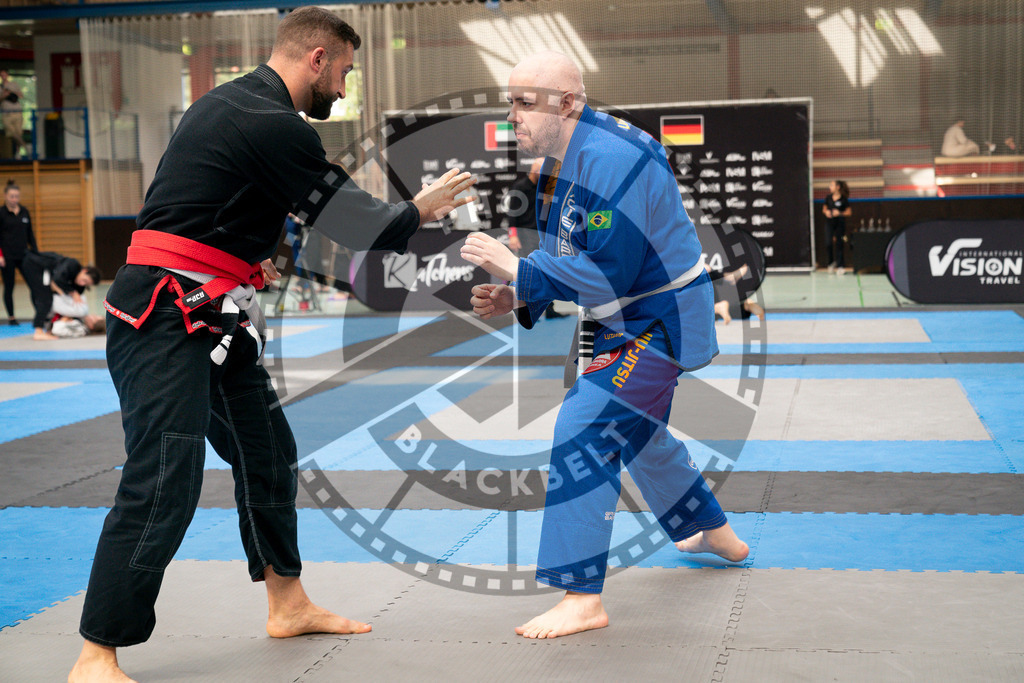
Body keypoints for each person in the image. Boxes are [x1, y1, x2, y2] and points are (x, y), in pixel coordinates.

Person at [69, 7, 475, 682]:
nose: (343, 87)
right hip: (164, 317)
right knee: (166, 473)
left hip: (210, 312)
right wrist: (421, 207)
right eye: (344, 72)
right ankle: (95, 653)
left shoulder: (231, 104)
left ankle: (287, 603)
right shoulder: (273, 122)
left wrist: (246, 252)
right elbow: (361, 225)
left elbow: (210, 205)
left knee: (267, 450)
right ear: (317, 59)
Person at [460, 51, 748, 640]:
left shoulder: (612, 160)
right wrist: (520, 293)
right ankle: (712, 529)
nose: (511, 116)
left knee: (585, 427)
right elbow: (569, 255)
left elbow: (611, 273)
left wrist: (518, 269)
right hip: (623, 316)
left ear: (567, 104)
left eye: (524, 103)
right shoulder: (561, 162)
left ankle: (581, 596)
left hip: (660, 318)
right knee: (637, 430)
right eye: (509, 102)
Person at [505, 157, 565, 319]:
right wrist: (513, 236)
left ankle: (549, 309)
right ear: (535, 171)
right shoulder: (520, 187)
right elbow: (512, 214)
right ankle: (524, 310)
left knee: (546, 269)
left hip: (542, 234)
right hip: (524, 234)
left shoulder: (545, 188)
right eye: (543, 172)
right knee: (526, 271)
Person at [19, 249, 100, 341]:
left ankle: (44, 329)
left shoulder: (79, 285)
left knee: (42, 296)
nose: (82, 284)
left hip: (42, 270)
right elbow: (57, 279)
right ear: (84, 271)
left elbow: (73, 293)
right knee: (45, 298)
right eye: (84, 280)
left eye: (86, 284)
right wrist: (72, 292)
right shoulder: (72, 265)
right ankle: (39, 332)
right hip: (35, 264)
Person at [0, 179, 37, 324]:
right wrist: (0, 255)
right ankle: (11, 317)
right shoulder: (1, 213)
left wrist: (35, 253)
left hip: (24, 255)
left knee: (34, 285)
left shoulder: (24, 211)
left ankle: (39, 314)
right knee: (9, 287)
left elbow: (30, 234)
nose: (14, 199)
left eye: (17, 196)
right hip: (7, 256)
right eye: (12, 196)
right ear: (5, 196)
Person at [823, 179, 851, 274]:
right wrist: (826, 212)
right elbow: (824, 209)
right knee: (828, 243)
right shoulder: (828, 198)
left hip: (839, 223)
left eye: (832, 185)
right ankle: (831, 263)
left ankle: (840, 266)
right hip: (829, 223)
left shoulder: (843, 199)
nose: (830, 187)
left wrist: (839, 213)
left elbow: (849, 212)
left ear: (837, 187)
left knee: (839, 244)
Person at [0, 69, 25, 158]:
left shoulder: (14, 84)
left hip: (17, 112)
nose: (3, 76)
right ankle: (25, 146)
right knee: (11, 132)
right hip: (6, 113)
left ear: (7, 75)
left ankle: (18, 153)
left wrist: (11, 92)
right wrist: (4, 95)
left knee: (18, 132)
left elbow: (21, 96)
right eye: (1, 75)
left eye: (4, 74)